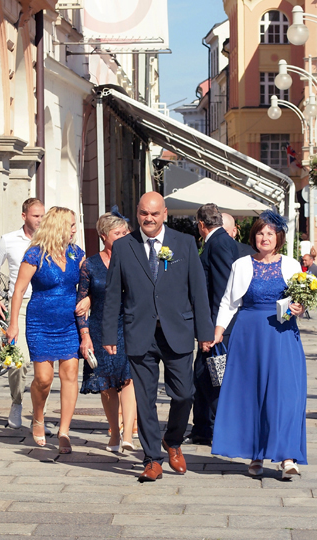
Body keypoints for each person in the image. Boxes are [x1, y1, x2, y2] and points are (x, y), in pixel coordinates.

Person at [102, 192, 213, 483]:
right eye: (143, 214)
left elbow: (198, 292)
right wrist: (109, 334)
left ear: (164, 213)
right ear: (136, 214)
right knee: (144, 398)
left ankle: (172, 440)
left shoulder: (184, 243)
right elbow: (114, 293)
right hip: (139, 332)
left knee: (185, 394)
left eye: (154, 214)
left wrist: (205, 333)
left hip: (178, 331)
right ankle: (152, 459)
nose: (148, 219)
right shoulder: (124, 247)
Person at [211, 211, 308, 480]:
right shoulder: (241, 265)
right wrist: (218, 332)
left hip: (282, 334)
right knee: (251, 395)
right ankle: (255, 454)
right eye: (260, 233)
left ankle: (287, 456)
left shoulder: (291, 265)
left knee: (286, 395)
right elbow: (229, 302)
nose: (265, 237)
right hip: (248, 334)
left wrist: (299, 308)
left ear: (279, 237)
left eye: (270, 233)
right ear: (253, 236)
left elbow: (300, 301)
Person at [6, 207, 84, 454]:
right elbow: (18, 290)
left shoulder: (75, 253)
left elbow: (91, 281)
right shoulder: (35, 254)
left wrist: (89, 300)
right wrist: (13, 323)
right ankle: (38, 417)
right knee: (43, 378)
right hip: (40, 321)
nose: (75, 229)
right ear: (59, 226)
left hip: (70, 322)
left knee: (71, 373)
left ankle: (64, 431)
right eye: (71, 225)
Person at [76, 211, 137, 453]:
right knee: (107, 382)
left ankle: (129, 432)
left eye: (125, 232)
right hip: (100, 327)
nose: (123, 237)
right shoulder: (89, 264)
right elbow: (80, 303)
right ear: (104, 236)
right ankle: (114, 431)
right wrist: (85, 335)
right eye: (118, 233)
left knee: (129, 377)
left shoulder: (135, 258)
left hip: (129, 326)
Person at [0, 198, 45, 429]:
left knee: (42, 365)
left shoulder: (48, 240)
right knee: (18, 361)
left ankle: (39, 415)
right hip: (18, 307)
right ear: (24, 216)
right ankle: (16, 402)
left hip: (43, 305)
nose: (40, 220)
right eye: (35, 216)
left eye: (42, 216)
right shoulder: (8, 240)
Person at [186, 204, 241, 446]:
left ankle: (227, 430)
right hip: (218, 326)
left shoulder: (218, 244)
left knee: (211, 378)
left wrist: (214, 331)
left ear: (200, 224)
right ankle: (203, 430)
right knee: (206, 378)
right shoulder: (221, 241)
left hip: (220, 328)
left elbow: (222, 291)